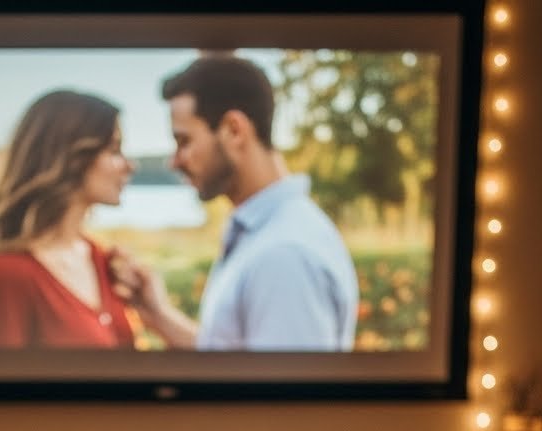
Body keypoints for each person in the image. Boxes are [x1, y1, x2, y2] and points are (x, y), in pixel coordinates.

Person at [112, 54, 359, 352]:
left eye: (184, 141)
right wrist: (161, 317)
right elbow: (240, 365)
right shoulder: (263, 230)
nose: (175, 161)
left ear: (234, 130)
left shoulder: (284, 256)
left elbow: (283, 397)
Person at [0, 90, 136, 349]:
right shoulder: (3, 275)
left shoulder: (99, 259)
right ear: (71, 157)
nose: (129, 166)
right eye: (114, 149)